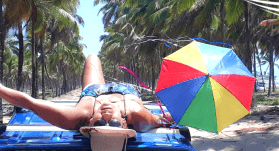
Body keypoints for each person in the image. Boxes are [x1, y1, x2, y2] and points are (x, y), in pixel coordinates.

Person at [0, 54, 173, 132]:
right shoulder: (138, 115)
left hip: (94, 93)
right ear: (125, 124)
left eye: (98, 126)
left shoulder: (77, 116)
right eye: (113, 125)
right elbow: (163, 120)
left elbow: (28, 102)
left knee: (92, 58)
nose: (105, 120)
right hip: (126, 93)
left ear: (89, 124)